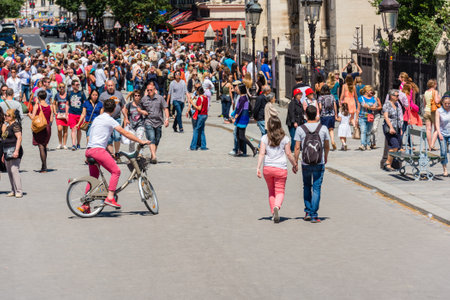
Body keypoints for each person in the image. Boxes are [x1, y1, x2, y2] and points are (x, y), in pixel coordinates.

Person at [77, 99, 151, 213]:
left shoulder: (97, 118)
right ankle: (110, 198)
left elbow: (97, 136)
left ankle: (85, 204)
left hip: (89, 150)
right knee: (116, 171)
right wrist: (140, 141)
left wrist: (109, 152)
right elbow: (125, 133)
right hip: (98, 151)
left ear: (104, 108)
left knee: (93, 178)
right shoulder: (110, 120)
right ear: (114, 109)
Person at [256, 116, 297, 223]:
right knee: (280, 191)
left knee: (271, 191)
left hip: (268, 168)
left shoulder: (264, 138)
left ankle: (273, 214)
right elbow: (288, 154)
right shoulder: (285, 138)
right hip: (280, 168)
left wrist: (258, 167)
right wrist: (294, 164)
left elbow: (261, 153)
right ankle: (277, 207)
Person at [294, 105, 330, 223]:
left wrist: (295, 161)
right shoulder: (323, 128)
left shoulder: (300, 129)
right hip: (319, 162)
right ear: (317, 115)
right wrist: (325, 156)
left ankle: (308, 211)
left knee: (307, 186)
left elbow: (297, 147)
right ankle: (314, 215)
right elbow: (326, 145)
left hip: (305, 162)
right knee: (316, 188)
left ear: (305, 115)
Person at [138, 83, 169, 164]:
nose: (149, 91)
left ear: (155, 90)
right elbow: (138, 108)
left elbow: (165, 108)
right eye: (148, 90)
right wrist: (142, 111)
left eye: (151, 90)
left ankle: (152, 155)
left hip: (158, 122)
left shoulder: (160, 98)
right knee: (151, 138)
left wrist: (167, 119)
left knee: (157, 139)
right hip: (148, 121)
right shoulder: (144, 99)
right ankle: (154, 156)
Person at [99, 80, 126, 161]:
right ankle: (112, 155)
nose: (110, 87)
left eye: (112, 85)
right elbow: (101, 108)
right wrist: (101, 118)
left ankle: (117, 153)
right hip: (107, 119)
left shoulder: (119, 94)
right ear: (106, 86)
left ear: (114, 86)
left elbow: (123, 106)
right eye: (109, 86)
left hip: (117, 118)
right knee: (109, 139)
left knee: (117, 136)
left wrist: (126, 118)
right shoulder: (103, 95)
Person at [29, 90, 53, 173]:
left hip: (40, 128)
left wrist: (29, 114)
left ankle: (44, 167)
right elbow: (51, 119)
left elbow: (33, 117)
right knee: (44, 146)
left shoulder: (37, 106)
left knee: (41, 147)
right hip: (47, 127)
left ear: (38, 97)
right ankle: (43, 166)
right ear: (46, 97)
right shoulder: (50, 106)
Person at [2, 109, 23, 198]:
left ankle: (19, 191)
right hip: (7, 151)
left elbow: (19, 138)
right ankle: (13, 190)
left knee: (14, 170)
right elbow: (4, 139)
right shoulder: (7, 126)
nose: (5, 116)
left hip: (14, 150)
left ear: (11, 117)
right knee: (10, 172)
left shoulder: (15, 125)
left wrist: (16, 151)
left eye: (7, 115)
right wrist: (3, 154)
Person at [231, 83, 257, 157]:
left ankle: (253, 148)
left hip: (243, 118)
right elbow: (237, 108)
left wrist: (235, 116)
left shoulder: (243, 98)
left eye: (238, 88)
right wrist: (233, 114)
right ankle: (240, 150)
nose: (236, 89)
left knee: (241, 136)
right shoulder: (242, 97)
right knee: (238, 135)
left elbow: (240, 109)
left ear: (241, 90)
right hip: (241, 118)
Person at [382, 89, 403, 172]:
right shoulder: (387, 104)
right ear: (391, 96)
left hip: (397, 127)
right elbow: (386, 117)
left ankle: (389, 164)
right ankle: (387, 163)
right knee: (395, 145)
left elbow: (398, 117)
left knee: (394, 146)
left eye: (398, 96)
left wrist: (400, 128)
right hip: (389, 127)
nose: (398, 97)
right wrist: (391, 127)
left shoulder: (397, 104)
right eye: (396, 96)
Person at [357, 85, 379, 151]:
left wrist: (368, 106)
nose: (372, 92)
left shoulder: (373, 98)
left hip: (370, 117)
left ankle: (368, 145)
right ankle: (363, 145)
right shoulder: (361, 98)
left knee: (369, 132)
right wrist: (356, 118)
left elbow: (375, 107)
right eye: (370, 90)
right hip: (362, 117)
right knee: (363, 131)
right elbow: (359, 108)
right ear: (366, 91)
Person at [318, 84, 337, 150]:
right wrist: (336, 114)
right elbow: (335, 106)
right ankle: (332, 141)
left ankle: (325, 144)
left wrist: (318, 113)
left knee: (324, 130)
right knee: (331, 129)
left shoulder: (321, 97)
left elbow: (320, 107)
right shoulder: (332, 96)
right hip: (331, 115)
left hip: (324, 115)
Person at [67, 80, 86, 150]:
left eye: (78, 84)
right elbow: (67, 104)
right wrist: (66, 114)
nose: (78, 86)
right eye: (76, 85)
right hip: (72, 113)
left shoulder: (81, 93)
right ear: (72, 86)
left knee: (79, 129)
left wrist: (85, 113)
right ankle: (73, 144)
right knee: (73, 129)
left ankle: (78, 143)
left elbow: (84, 103)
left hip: (80, 114)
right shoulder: (69, 93)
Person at [423, 79, 441, 151]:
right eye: (436, 84)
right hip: (433, 112)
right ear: (434, 85)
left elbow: (424, 103)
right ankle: (432, 144)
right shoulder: (435, 92)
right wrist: (440, 98)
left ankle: (429, 146)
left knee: (428, 129)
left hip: (426, 111)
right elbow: (436, 101)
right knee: (436, 129)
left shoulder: (426, 92)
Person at [189, 86, 209, 151]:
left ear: (198, 91)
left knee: (196, 130)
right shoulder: (205, 97)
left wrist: (192, 103)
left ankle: (193, 146)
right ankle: (203, 146)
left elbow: (199, 108)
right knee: (202, 130)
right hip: (205, 114)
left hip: (201, 115)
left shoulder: (200, 98)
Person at [286, 88, 305, 152]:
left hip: (299, 122)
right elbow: (291, 113)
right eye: (299, 94)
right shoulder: (292, 103)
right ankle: (292, 149)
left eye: (301, 94)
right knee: (294, 136)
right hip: (292, 123)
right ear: (295, 95)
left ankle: (298, 148)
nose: (300, 96)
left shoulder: (299, 103)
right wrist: (294, 122)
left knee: (299, 136)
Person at [436, 93, 450, 177]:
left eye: (449, 104)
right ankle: (445, 169)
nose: (447, 105)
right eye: (446, 104)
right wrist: (439, 133)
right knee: (443, 151)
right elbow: (437, 124)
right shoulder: (439, 111)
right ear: (442, 103)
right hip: (442, 133)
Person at [53, 83, 69, 149]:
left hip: (66, 114)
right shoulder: (57, 95)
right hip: (59, 114)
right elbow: (53, 103)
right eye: (60, 87)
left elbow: (68, 104)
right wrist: (54, 111)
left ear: (65, 87)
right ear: (58, 88)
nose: (61, 88)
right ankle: (60, 143)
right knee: (59, 129)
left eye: (63, 87)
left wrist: (67, 113)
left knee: (65, 129)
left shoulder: (67, 95)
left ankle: (64, 144)